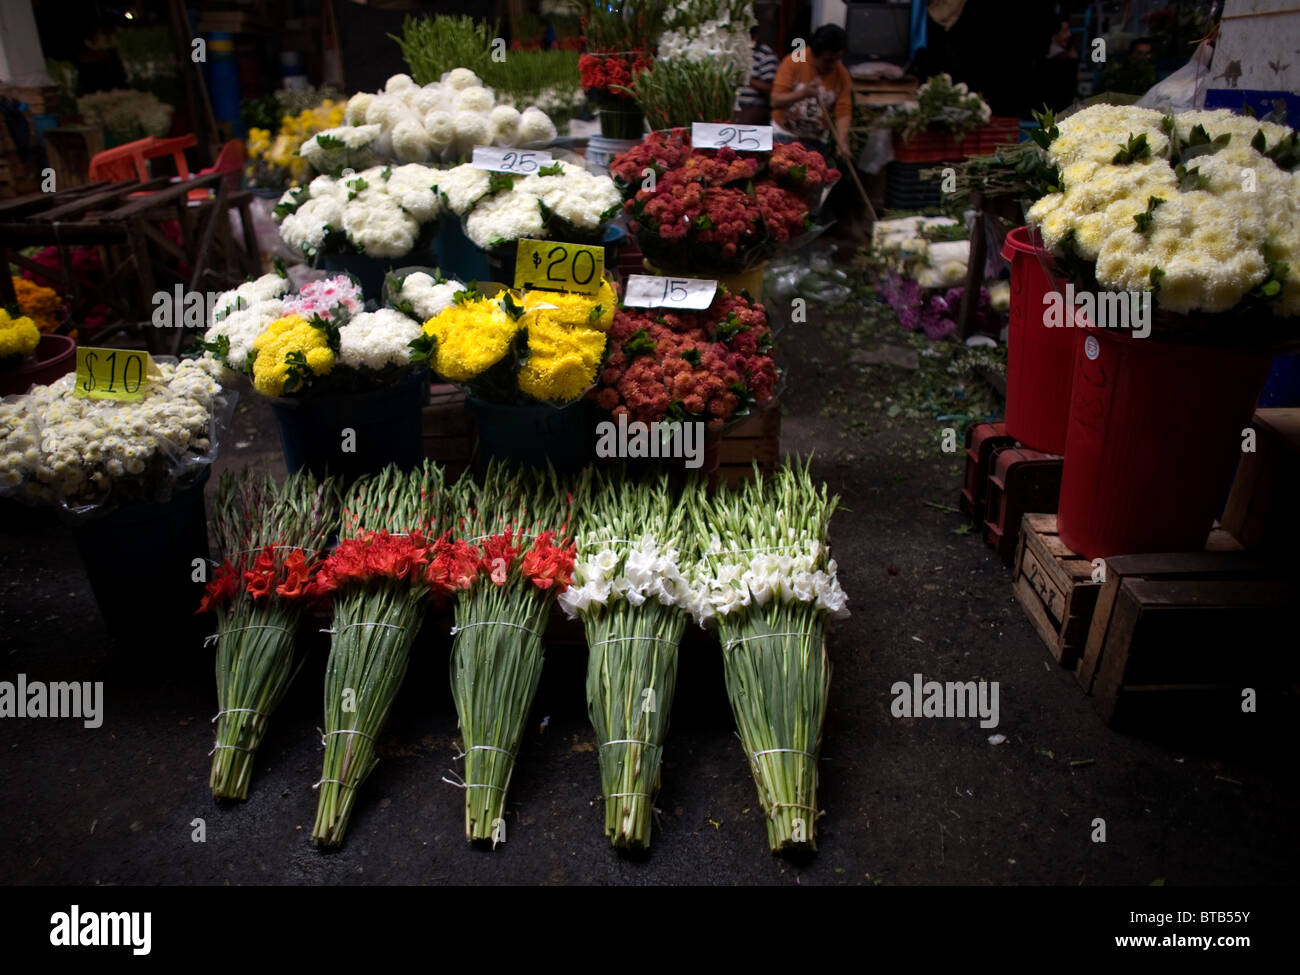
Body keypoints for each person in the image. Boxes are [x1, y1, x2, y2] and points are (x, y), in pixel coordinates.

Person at [770, 24, 853, 157]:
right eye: (828, 60)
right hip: (784, 135)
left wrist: (842, 142)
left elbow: (843, 110)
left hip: (816, 141)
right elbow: (775, 101)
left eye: (838, 59)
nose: (833, 65)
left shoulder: (841, 73)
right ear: (814, 54)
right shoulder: (794, 61)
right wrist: (802, 93)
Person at [737, 26, 779, 124]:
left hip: (754, 107)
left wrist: (747, 78)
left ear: (754, 38)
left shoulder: (765, 55)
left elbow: (770, 87)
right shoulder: (736, 53)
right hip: (733, 106)